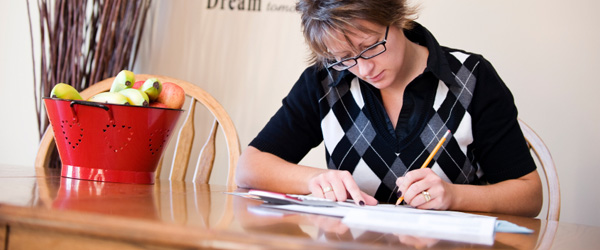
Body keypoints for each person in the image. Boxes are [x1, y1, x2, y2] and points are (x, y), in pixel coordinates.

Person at [235, 0, 542, 217]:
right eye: (344, 57)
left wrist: (454, 196)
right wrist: (314, 180)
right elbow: (249, 167)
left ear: (397, 16)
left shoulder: (470, 78)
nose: (364, 69)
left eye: (370, 47)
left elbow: (529, 196)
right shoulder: (325, 81)